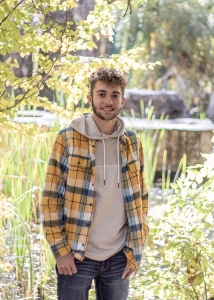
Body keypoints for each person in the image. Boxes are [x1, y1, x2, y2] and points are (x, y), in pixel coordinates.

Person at [40, 67, 149, 300]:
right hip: (77, 254)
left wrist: (135, 250)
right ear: (90, 98)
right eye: (101, 94)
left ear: (123, 100)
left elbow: (142, 200)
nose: (108, 101)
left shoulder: (131, 142)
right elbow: (50, 200)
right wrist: (60, 251)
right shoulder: (68, 138)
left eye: (114, 95)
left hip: (119, 256)